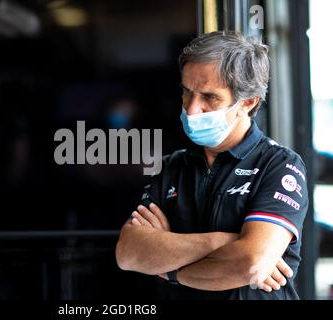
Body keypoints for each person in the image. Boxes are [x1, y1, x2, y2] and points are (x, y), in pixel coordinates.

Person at [115, 31, 308, 300]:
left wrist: (172, 271)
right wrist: (223, 241)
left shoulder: (278, 166)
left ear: (248, 102)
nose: (192, 109)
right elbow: (128, 254)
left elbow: (250, 262)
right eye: (187, 92)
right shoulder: (171, 167)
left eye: (210, 97)